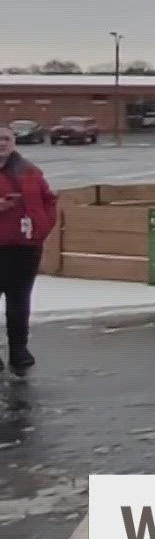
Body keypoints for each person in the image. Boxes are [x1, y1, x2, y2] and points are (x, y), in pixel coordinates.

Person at [0, 124, 56, 376]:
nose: (1, 143)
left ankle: (19, 350)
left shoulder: (30, 171)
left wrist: (41, 230)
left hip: (24, 247)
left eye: (6, 138)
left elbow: (48, 201)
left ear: (13, 141)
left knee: (19, 301)